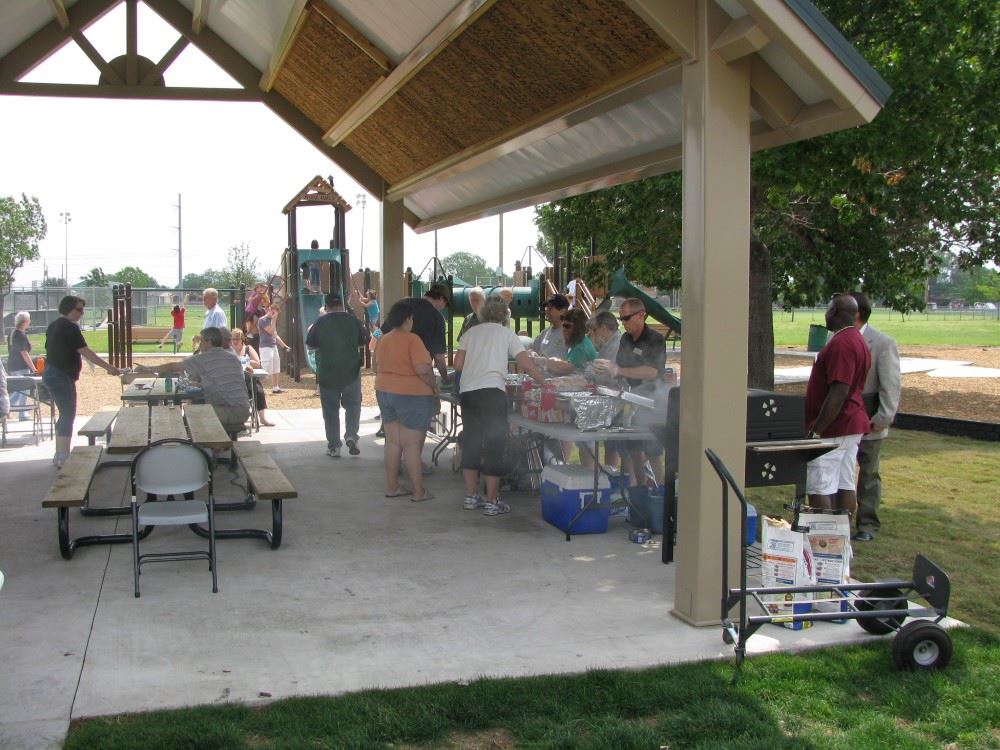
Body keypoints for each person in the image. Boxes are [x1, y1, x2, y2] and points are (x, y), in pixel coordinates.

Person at [455, 296, 545, 514]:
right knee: (494, 445)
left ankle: (470, 496)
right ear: (505, 314)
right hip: (492, 392)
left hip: (468, 392)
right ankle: (492, 500)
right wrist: (542, 381)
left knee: (472, 441)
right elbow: (524, 362)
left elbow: (458, 364)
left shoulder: (470, 333)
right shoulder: (506, 334)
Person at [804, 293, 872, 517]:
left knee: (819, 484)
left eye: (828, 308)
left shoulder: (842, 343)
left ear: (834, 313)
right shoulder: (856, 339)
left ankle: (823, 542)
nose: (826, 313)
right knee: (845, 482)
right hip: (852, 421)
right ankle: (841, 539)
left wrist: (817, 430)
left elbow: (839, 390)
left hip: (835, 426)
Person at [43, 295, 122, 468]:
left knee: (65, 414)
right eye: (79, 309)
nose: (82, 313)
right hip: (60, 375)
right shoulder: (70, 327)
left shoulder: (54, 325)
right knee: (68, 414)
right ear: (68, 308)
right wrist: (109, 367)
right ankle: (63, 457)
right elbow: (86, 351)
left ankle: (59, 454)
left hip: (53, 373)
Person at [850, 292, 901, 542]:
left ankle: (867, 524)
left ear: (856, 312)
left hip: (870, 420)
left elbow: (890, 384)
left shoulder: (882, 343)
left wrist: (883, 417)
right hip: (844, 422)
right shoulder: (837, 339)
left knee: (868, 474)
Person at [374, 301, 437, 501]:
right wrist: (434, 386)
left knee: (392, 442)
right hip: (411, 394)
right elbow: (422, 369)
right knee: (411, 445)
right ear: (408, 319)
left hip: (384, 390)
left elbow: (376, 367)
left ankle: (392, 486)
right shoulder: (413, 340)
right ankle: (418, 491)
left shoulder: (383, 339)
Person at [378, 282, 452, 449]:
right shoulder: (437, 318)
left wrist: (373, 340)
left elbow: (379, 334)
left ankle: (395, 462)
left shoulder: (402, 306)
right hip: (418, 382)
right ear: (440, 299)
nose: (443, 308)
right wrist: (445, 378)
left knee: (392, 435)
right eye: (445, 304)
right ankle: (413, 462)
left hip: (387, 384)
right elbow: (439, 357)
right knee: (416, 430)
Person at [136, 327, 250, 435]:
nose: (200, 344)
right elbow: (223, 382)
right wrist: (202, 384)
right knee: (195, 410)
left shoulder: (204, 358)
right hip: (243, 409)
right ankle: (211, 448)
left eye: (201, 341)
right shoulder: (232, 357)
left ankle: (205, 450)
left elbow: (172, 366)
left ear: (208, 342)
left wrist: (149, 369)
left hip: (232, 411)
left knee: (191, 416)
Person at [606, 298, 667, 486]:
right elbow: (619, 366)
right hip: (632, 399)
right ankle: (639, 489)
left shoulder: (655, 339)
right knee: (634, 449)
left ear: (641, 315)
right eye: (621, 319)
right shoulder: (625, 339)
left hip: (653, 400)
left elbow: (652, 372)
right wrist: (606, 371)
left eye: (626, 318)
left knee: (653, 451)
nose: (623, 323)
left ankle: (660, 494)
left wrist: (620, 371)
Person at [307, 293, 369, 457]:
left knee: (330, 411)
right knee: (353, 406)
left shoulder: (320, 322)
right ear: (341, 305)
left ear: (326, 307)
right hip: (351, 371)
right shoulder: (353, 320)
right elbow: (363, 342)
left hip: (328, 373)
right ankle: (351, 436)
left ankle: (334, 446)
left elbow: (311, 347)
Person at [231, 327, 274, 427]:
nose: (234, 341)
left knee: (258, 391)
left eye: (237, 339)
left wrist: (244, 360)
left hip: (248, 378)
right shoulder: (229, 350)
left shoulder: (248, 349)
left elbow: (258, 364)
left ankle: (262, 418)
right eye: (233, 339)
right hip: (234, 380)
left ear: (242, 339)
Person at [6, 311, 37, 418]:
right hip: (21, 366)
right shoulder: (20, 335)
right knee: (23, 390)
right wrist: (34, 368)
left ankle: (7, 407)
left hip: (12, 365)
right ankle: (21, 412)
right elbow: (24, 353)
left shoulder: (12, 333)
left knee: (19, 390)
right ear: (25, 322)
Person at [257, 303, 292, 394]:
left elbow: (275, 335)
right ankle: (258, 387)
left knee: (276, 367)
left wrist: (284, 346)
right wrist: (274, 319)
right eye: (272, 311)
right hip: (265, 347)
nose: (273, 313)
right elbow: (271, 331)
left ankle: (275, 387)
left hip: (273, 346)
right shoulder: (263, 320)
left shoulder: (271, 321)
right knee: (266, 368)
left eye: (275, 312)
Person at [531, 294, 570, 359]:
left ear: (562, 311)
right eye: (546, 307)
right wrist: (532, 353)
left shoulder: (571, 333)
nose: (546, 311)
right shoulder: (544, 333)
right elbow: (531, 349)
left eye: (550, 308)